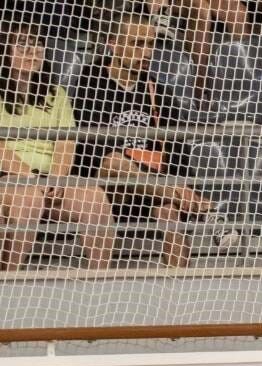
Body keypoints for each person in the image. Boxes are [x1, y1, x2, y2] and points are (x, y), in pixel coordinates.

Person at [74, 13, 213, 268]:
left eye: (150, 44)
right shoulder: (89, 85)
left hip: (146, 189)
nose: (146, 52)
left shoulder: (158, 92)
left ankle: (179, 287)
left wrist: (172, 187)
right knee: (114, 163)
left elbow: (178, 150)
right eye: (137, 44)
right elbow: (91, 153)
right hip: (105, 189)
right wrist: (169, 189)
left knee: (169, 211)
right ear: (113, 44)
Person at [0, 21, 116, 271]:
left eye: (38, 44)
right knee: (28, 200)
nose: (33, 51)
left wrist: (57, 178)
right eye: (22, 45)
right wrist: (30, 177)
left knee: (94, 197)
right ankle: (8, 280)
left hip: (48, 179)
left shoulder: (57, 94)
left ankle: (103, 283)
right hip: (11, 176)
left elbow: (66, 140)